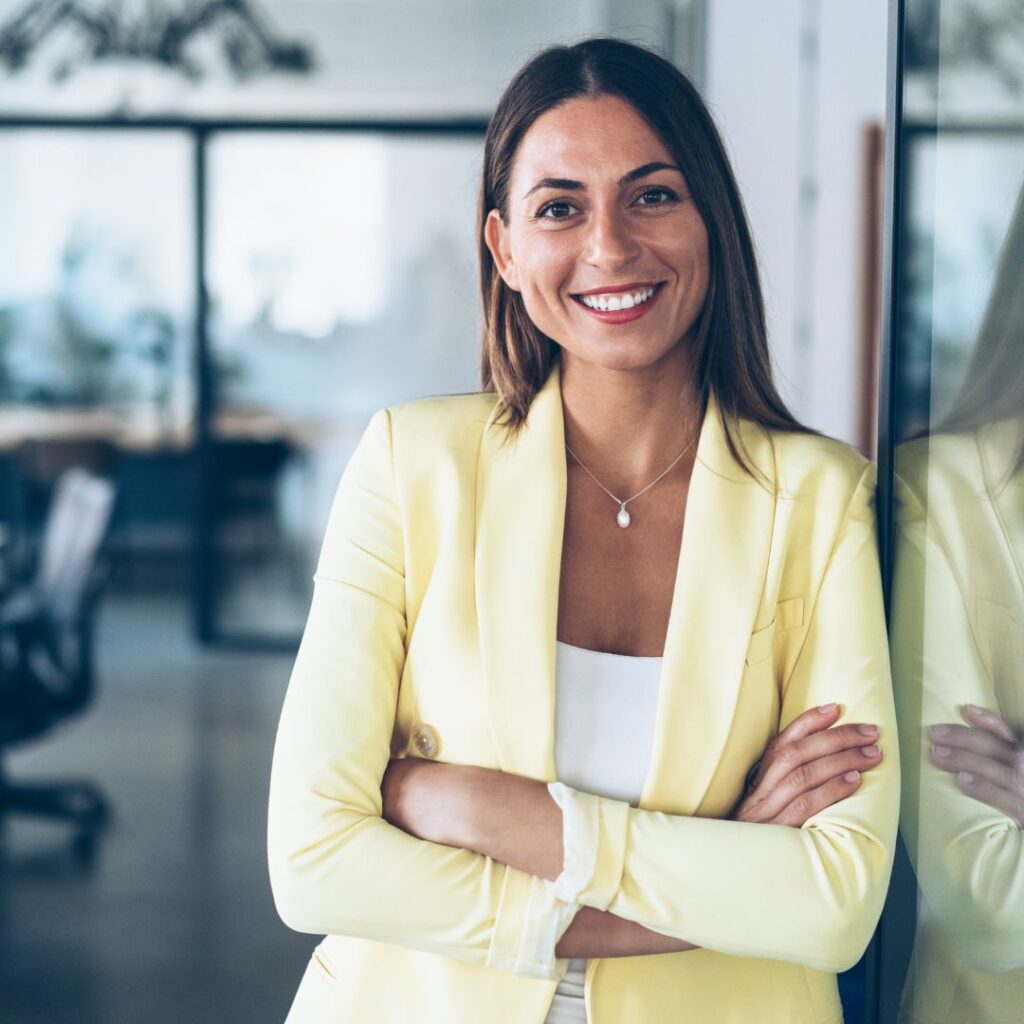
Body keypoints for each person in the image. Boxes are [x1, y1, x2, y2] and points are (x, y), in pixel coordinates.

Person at [267, 36, 899, 1024]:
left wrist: (486, 811)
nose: (608, 247)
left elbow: (834, 902)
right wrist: (719, 867)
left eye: (652, 195)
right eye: (559, 206)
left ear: (710, 224)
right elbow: (312, 864)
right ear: (505, 249)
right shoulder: (410, 465)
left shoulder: (820, 501)